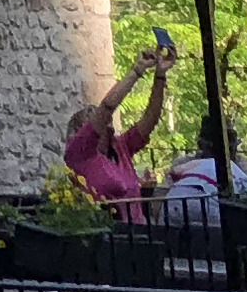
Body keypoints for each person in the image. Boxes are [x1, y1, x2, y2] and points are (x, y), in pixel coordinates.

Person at [65, 32, 177, 206]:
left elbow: (150, 119)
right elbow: (107, 106)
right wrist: (137, 70)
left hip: (136, 228)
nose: (104, 123)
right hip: (108, 229)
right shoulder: (79, 153)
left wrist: (160, 75)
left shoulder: (120, 147)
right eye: (94, 120)